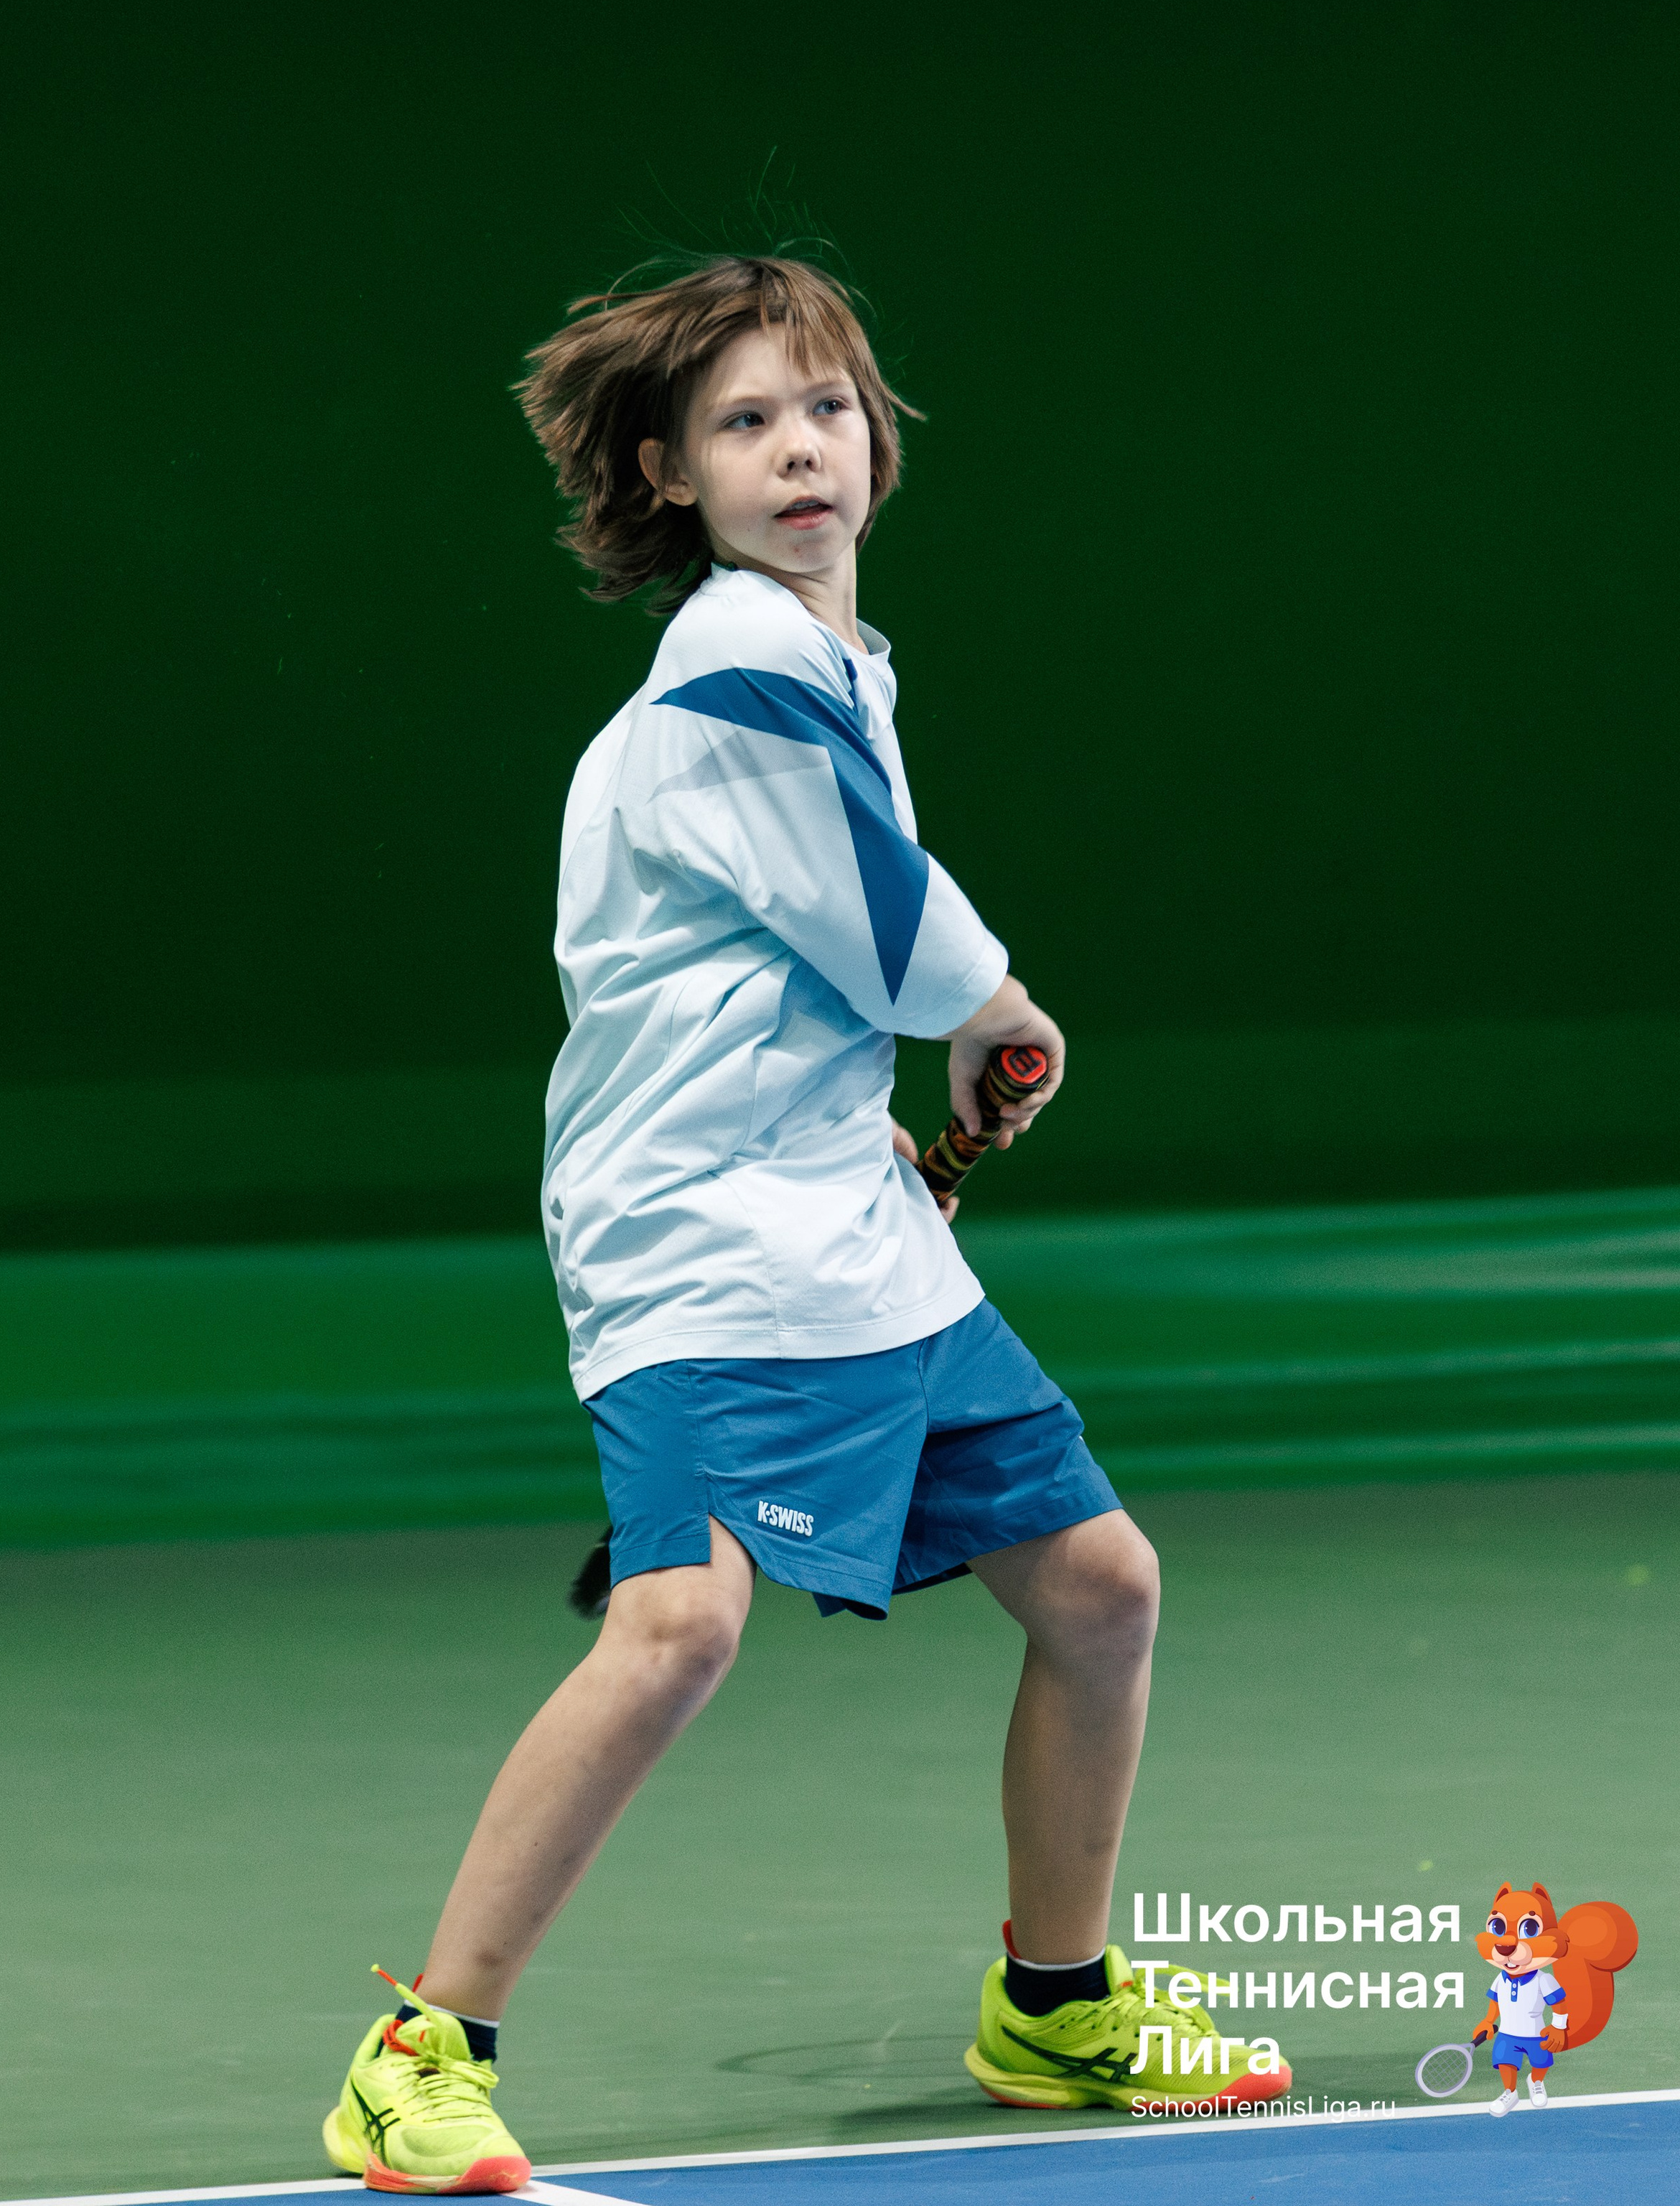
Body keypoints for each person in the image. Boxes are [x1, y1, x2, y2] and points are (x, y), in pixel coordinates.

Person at [322, 256, 1285, 2195]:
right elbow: (881, 915)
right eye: (745, 423)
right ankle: (417, 2058)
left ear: (876, 440)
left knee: (1101, 1589)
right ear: (671, 473)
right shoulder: (735, 670)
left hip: (847, 1218)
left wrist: (932, 1060)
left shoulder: (831, 661)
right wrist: (997, 1012)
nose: (799, 450)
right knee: (679, 1625)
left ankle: (1055, 2003)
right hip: (691, 1233)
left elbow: (839, 926)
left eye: (826, 409)